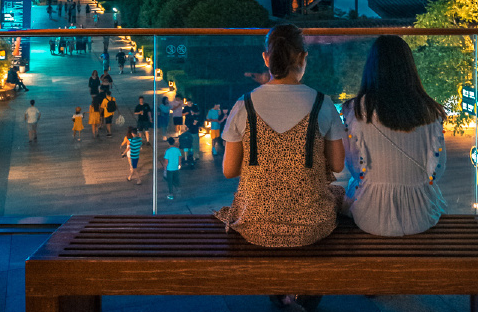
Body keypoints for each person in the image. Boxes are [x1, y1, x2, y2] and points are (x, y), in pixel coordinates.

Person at [217, 24, 345, 288]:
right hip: (311, 226)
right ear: (302, 57)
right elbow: (337, 164)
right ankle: (305, 289)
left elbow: (229, 170)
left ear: (266, 58)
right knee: (338, 194)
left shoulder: (244, 104)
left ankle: (280, 290)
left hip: (255, 226)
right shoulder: (322, 103)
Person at [339, 34, 446, 238]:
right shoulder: (431, 111)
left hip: (370, 217)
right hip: (422, 216)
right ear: (410, 68)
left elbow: (354, 167)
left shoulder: (355, 110)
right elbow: (437, 170)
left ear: (371, 68)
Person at [181, 99, 201, 165]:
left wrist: (194, 113)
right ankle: (188, 155)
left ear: (192, 103)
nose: (189, 104)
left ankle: (196, 155)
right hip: (188, 125)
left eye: (190, 103)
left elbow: (199, 113)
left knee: (195, 141)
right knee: (188, 140)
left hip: (195, 126)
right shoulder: (186, 108)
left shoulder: (195, 107)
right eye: (188, 103)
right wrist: (186, 113)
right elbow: (182, 114)